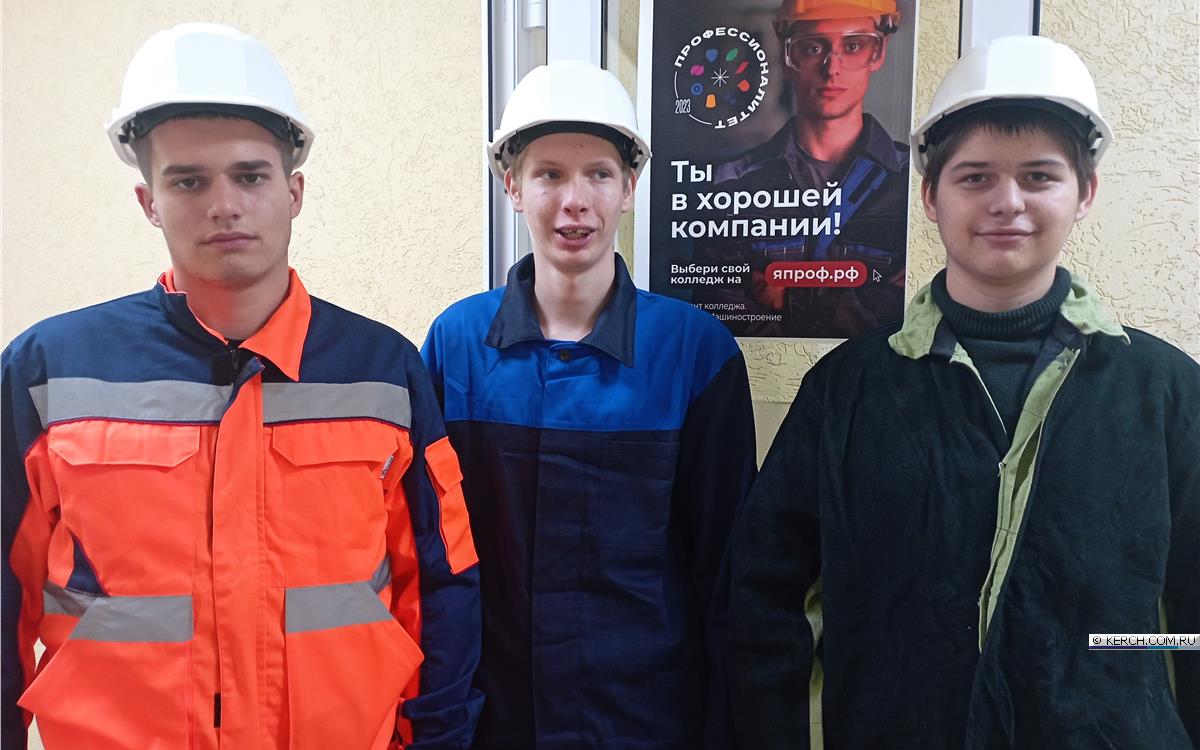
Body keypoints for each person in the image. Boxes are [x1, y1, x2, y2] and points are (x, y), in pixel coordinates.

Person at [1, 23, 482, 749]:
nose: (223, 204)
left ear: (294, 192)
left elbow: (444, 583)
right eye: (188, 180)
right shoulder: (48, 371)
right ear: (148, 201)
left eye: (250, 176)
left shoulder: (383, 370)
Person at [728, 34, 1198, 748]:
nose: (1008, 202)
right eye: (975, 177)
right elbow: (767, 597)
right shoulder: (848, 391)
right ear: (930, 195)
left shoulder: (1163, 392)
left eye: (1039, 176)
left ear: (1085, 193)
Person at [421, 60, 757, 749]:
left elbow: (727, 574)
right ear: (513, 187)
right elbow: (430, 558)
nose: (575, 201)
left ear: (629, 187)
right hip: (493, 724)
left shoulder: (694, 352)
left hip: (645, 726)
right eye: (549, 174)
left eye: (599, 174)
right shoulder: (456, 346)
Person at [697, 0, 909, 338]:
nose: (832, 68)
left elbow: (912, 314)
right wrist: (863, 298)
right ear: (787, 55)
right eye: (813, 48)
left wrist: (790, 297)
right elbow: (723, 320)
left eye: (853, 46)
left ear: (878, 52)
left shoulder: (914, 181)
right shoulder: (732, 183)